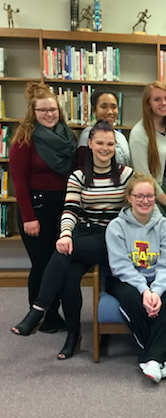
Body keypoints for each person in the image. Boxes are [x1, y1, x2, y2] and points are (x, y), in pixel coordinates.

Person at [11, 120, 134, 361]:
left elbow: (135, 209)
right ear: (89, 143)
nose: (105, 148)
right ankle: (74, 335)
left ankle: (38, 310)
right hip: (84, 236)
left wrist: (68, 239)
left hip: (113, 239)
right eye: (99, 143)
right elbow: (70, 210)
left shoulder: (126, 175)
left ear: (115, 145)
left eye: (110, 144)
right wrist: (66, 233)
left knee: (65, 251)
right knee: (68, 277)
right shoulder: (77, 176)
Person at [10, 82, 77, 333]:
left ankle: (53, 312)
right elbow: (18, 181)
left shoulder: (67, 136)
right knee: (41, 264)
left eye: (53, 110)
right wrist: (28, 217)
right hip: (35, 209)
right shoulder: (24, 139)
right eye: (43, 110)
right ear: (33, 113)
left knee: (59, 262)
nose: (49, 114)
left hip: (62, 207)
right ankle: (40, 313)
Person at [105, 173, 166, 383]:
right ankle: (158, 357)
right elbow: (120, 266)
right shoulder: (116, 227)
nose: (145, 200)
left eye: (149, 195)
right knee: (131, 298)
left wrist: (156, 290)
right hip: (126, 279)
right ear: (129, 197)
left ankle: (151, 358)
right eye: (139, 196)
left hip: (157, 278)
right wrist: (144, 290)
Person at [130, 81, 166, 216]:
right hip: (154, 196)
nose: (164, 103)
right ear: (148, 104)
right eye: (157, 99)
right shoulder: (139, 133)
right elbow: (144, 177)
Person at [78, 90, 131, 166]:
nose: (110, 111)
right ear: (94, 110)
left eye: (114, 107)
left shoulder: (121, 137)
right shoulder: (88, 135)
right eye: (103, 107)